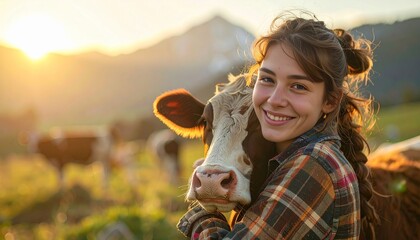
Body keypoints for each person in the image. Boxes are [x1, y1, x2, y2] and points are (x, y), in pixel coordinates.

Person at [177, 11, 379, 239]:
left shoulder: (314, 165)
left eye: (298, 86)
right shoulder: (292, 159)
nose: (274, 100)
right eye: (267, 79)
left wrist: (201, 212)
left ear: (330, 101)